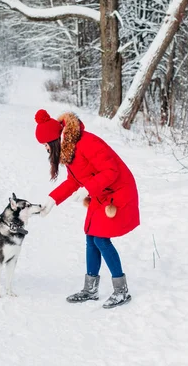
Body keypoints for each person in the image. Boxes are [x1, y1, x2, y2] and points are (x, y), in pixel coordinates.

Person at [35, 109, 140, 309]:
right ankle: (90, 290)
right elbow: (74, 180)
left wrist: (88, 189)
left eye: (46, 146)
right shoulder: (69, 148)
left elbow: (111, 171)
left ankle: (121, 291)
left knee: (101, 238)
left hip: (117, 192)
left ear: (54, 140)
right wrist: (52, 200)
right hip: (101, 192)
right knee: (91, 236)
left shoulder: (87, 143)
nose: (47, 150)